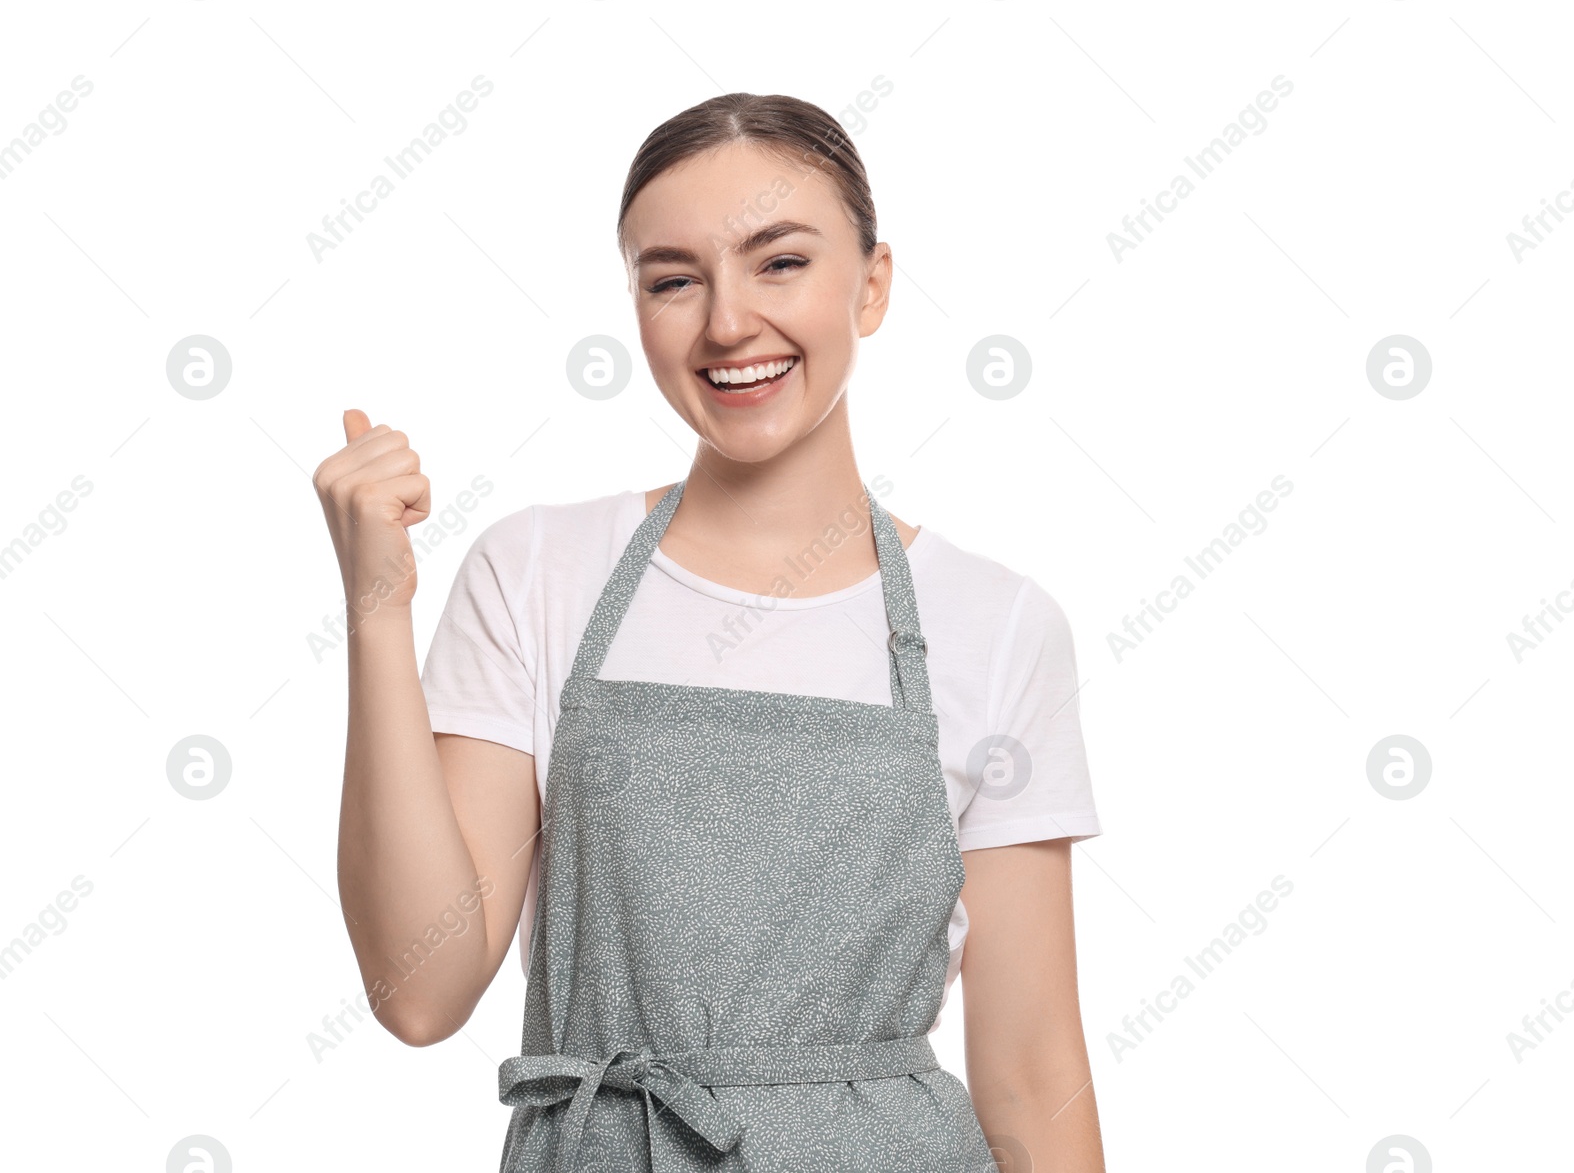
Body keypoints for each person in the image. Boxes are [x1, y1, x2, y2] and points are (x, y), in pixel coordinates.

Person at [316, 92, 1106, 1172]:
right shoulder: (539, 571)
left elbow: (1028, 1068)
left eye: (779, 262)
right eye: (673, 279)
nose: (727, 323)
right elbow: (420, 990)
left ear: (870, 286)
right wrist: (377, 609)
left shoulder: (998, 624)